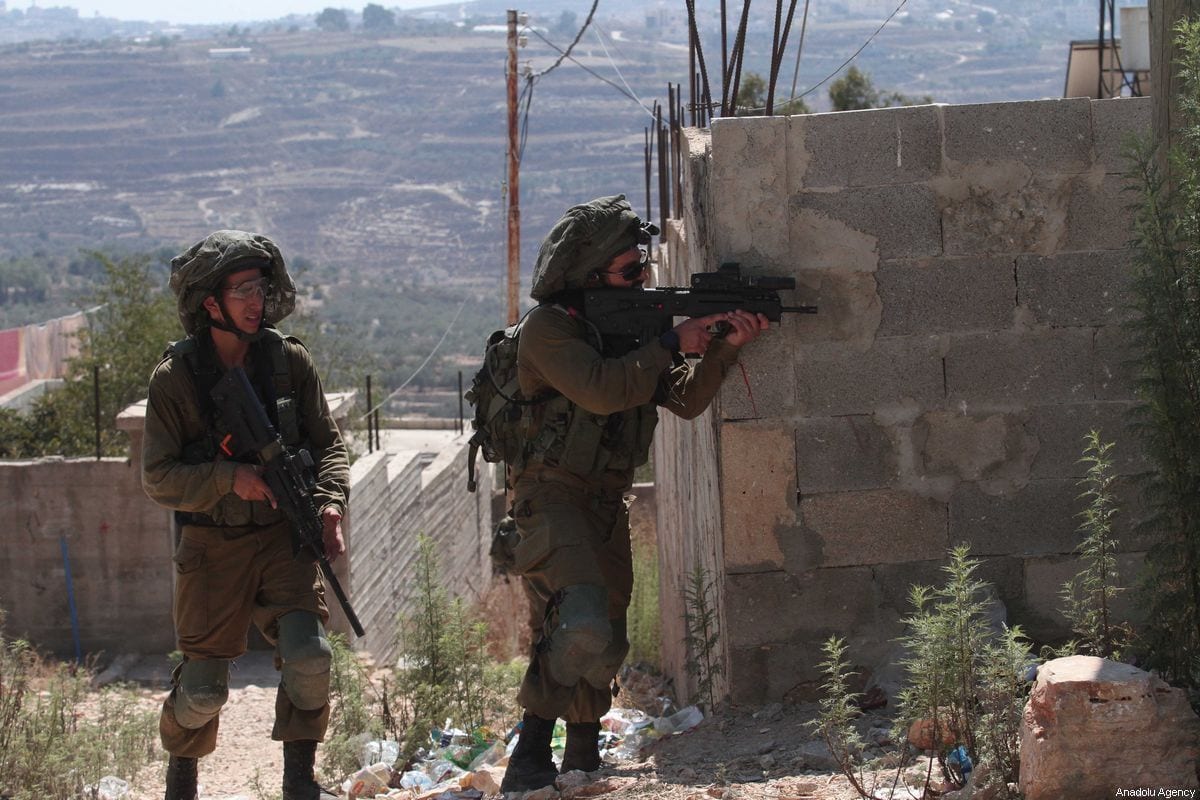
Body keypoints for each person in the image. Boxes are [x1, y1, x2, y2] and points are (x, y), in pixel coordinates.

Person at [499, 195, 768, 793]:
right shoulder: (549, 329)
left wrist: (723, 346)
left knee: (610, 635)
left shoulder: (636, 328)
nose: (642, 280)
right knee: (583, 618)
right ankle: (530, 752)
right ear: (590, 275)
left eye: (643, 267)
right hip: (550, 495)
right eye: (629, 272)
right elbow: (600, 389)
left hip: (603, 497)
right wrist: (673, 341)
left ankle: (583, 754)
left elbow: (687, 401)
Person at [142, 230, 350, 800]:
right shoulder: (176, 380)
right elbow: (158, 477)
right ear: (211, 303)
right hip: (214, 548)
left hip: (285, 539)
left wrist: (330, 502)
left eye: (261, 287)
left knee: (310, 657)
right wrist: (230, 478)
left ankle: (299, 781)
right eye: (243, 291)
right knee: (204, 692)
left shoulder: (288, 363)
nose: (257, 302)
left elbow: (329, 444)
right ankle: (181, 780)